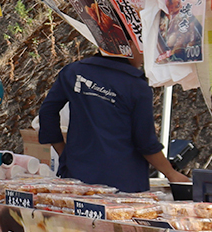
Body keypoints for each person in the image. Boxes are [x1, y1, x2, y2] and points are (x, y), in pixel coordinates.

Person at [37, 50, 191, 193]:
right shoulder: (136, 86)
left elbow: (47, 112)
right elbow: (145, 142)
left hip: (77, 176)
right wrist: (170, 173)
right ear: (128, 47)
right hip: (123, 183)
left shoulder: (73, 71)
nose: (143, 56)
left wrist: (63, 154)